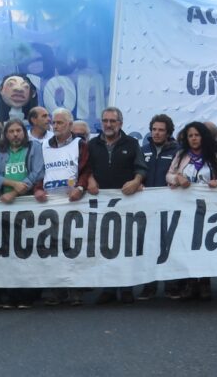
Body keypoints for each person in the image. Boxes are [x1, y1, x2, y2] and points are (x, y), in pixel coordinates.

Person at [87, 107, 147, 305]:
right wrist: (90, 179)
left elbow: (141, 167)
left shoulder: (131, 143)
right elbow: (85, 168)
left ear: (120, 123)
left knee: (126, 246)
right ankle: (109, 288)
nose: (108, 124)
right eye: (105, 120)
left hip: (127, 203)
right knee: (105, 246)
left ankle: (127, 288)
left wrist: (136, 181)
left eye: (113, 121)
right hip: (101, 204)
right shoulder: (92, 144)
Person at [0, 118, 45, 309]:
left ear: (24, 132)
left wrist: (16, 192)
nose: (15, 134)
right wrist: (11, 184)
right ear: (6, 134)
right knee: (9, 251)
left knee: (28, 250)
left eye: (18, 130)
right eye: (11, 131)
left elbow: (37, 172)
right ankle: (12, 294)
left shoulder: (34, 147)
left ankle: (28, 295)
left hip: (28, 205)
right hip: (7, 208)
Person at [33, 108, 90, 306]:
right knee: (52, 245)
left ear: (70, 125)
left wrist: (80, 188)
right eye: (54, 123)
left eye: (60, 123)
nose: (55, 126)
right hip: (50, 203)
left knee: (74, 245)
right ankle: (57, 288)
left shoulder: (80, 144)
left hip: (73, 202)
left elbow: (85, 169)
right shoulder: (43, 146)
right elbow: (39, 171)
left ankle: (75, 289)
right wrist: (37, 189)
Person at [166, 121, 217, 301]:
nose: (194, 139)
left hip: (209, 209)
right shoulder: (181, 155)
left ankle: (205, 282)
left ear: (203, 137)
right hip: (186, 209)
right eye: (190, 136)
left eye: (197, 135)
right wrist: (177, 178)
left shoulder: (215, 157)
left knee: (205, 245)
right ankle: (191, 282)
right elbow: (168, 175)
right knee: (188, 245)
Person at [139, 114, 181, 300]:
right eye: (154, 129)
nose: (156, 133)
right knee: (149, 246)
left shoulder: (178, 151)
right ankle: (149, 285)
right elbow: (137, 171)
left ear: (168, 132)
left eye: (161, 130)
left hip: (170, 206)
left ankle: (171, 285)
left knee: (170, 245)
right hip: (147, 206)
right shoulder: (143, 150)